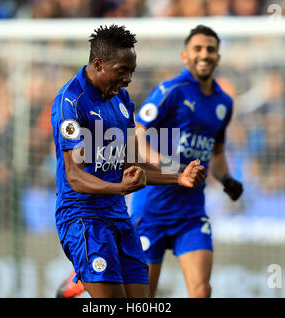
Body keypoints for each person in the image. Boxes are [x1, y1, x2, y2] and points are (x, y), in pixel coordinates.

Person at [57, 25, 243, 298]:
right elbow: (133, 141)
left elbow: (210, 153)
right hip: (125, 214)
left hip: (171, 211)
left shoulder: (223, 103)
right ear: (184, 56)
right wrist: (164, 166)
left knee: (197, 291)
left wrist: (205, 178)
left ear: (219, 57)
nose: (129, 79)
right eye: (198, 49)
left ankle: (87, 276)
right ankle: (81, 278)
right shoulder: (167, 92)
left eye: (211, 49)